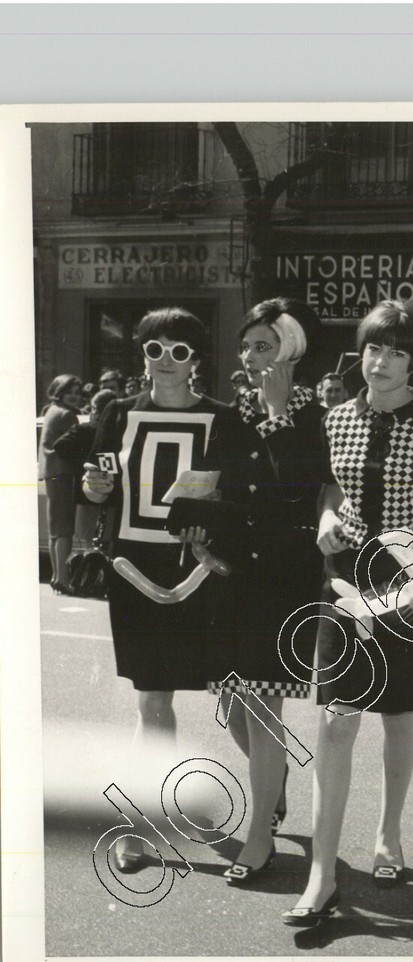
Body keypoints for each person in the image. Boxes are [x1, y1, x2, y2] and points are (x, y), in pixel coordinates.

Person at [283, 300, 413, 928]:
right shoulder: (336, 418)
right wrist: (327, 519)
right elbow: (327, 486)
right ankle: (324, 871)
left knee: (397, 712)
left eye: (395, 352)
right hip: (342, 581)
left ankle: (389, 834)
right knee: (336, 722)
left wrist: (412, 543)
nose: (380, 362)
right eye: (372, 349)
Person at [82, 307, 242, 873]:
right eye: (155, 349)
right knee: (153, 700)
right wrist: (95, 487)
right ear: (142, 354)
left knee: (233, 695)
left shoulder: (224, 419)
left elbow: (237, 496)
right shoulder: (116, 415)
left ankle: (268, 788)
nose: (166, 361)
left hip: (197, 572)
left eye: (179, 351)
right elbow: (99, 490)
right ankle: (141, 824)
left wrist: (212, 522)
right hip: (132, 571)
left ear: (197, 360)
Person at [206, 298, 330, 886]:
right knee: (232, 703)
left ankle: (261, 834)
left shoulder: (316, 413)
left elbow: (299, 486)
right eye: (248, 346)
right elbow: (219, 484)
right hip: (230, 571)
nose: (253, 357)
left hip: (283, 573)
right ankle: (273, 781)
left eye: (265, 346)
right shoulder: (233, 412)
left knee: (261, 705)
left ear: (292, 351)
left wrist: (279, 414)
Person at [40, 374, 86, 593]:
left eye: (77, 393)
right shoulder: (68, 415)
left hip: (51, 474)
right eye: (70, 392)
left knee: (55, 530)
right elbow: (73, 447)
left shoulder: (50, 411)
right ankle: (64, 580)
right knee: (65, 529)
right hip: (64, 474)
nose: (74, 397)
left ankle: (57, 576)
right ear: (59, 391)